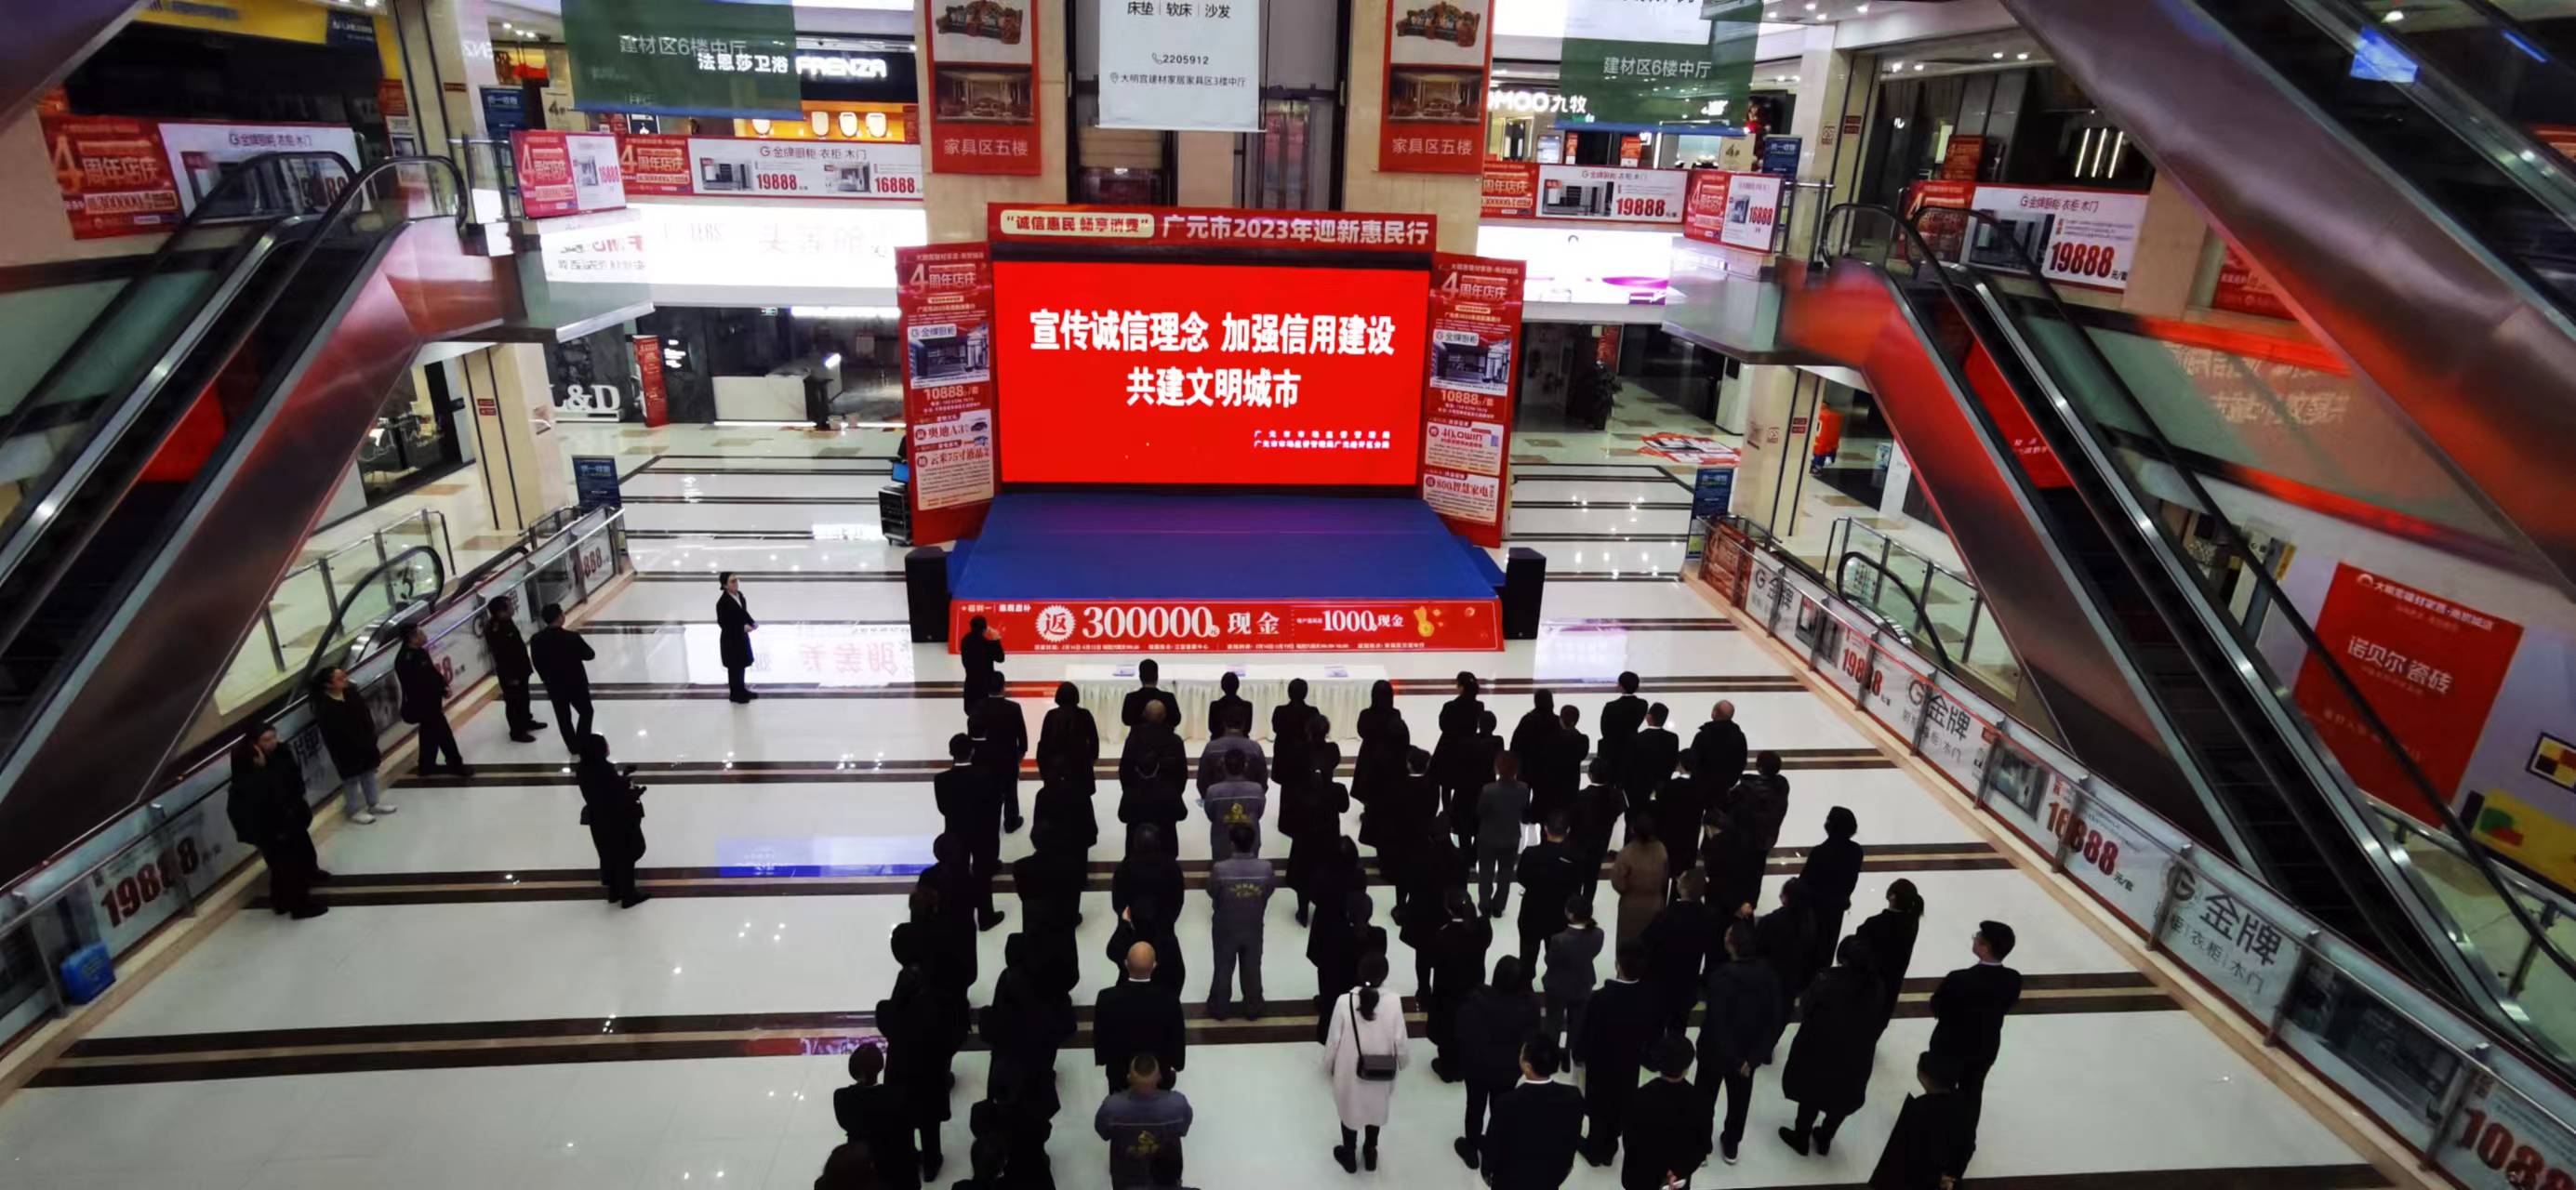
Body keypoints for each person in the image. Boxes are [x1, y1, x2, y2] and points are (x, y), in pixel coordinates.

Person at [1777, 934, 1884, 1157]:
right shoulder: (1876, 986)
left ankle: (1801, 1136)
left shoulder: (1827, 979)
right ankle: (1825, 1137)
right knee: (1841, 1096)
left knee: (1811, 1091)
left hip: (1820, 1046)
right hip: (1856, 1054)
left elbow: (1806, 1006)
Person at [1698, 921, 1785, 1164]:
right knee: (1739, 1101)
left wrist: (1735, 1058)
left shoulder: (1721, 977)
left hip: (1716, 1052)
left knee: (1704, 1098)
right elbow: (1774, 1021)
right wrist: (1753, 1058)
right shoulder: (1769, 976)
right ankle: (1731, 1144)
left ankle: (1701, 1144)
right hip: (1748, 1055)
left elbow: (1717, 1024)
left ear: (1731, 944)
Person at [1929, 920, 2022, 1131]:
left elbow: (1938, 1006)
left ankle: (1936, 1132)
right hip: (1985, 1048)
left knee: (1940, 1090)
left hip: (1951, 1047)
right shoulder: (2013, 979)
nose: (1975, 939)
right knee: (1972, 1092)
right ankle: (1965, 1135)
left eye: (1978, 938)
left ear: (1985, 947)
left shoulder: (1959, 979)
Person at [227, 722, 325, 919]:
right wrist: (263, 769)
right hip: (272, 828)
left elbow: (290, 780)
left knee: (289, 862)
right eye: (266, 740)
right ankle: (299, 905)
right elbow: (266, 798)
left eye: (274, 737)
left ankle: (282, 900)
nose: (272, 742)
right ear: (254, 745)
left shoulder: (280, 754)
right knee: (286, 866)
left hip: (288, 819)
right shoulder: (248, 773)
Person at [1321, 952, 1408, 1172]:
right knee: (1375, 1110)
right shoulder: (1394, 1001)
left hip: (1350, 1071)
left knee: (1349, 1109)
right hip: (1382, 1070)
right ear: (1385, 975)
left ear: (1359, 973)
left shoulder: (1344, 1002)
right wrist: (1403, 1061)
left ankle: (1349, 1154)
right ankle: (1370, 1152)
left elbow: (1333, 1041)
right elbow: (1400, 1040)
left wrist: (1328, 1065)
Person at [1577, 943, 1662, 1167]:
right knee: (1621, 1104)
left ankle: (1595, 1149)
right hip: (1629, 1065)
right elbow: (1652, 1036)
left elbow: (1586, 1033)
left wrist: (1579, 1054)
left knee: (1599, 1107)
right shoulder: (1649, 998)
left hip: (1601, 1065)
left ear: (1618, 965)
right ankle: (1610, 1147)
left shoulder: (1600, 998)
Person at [1454, 956, 1541, 1170]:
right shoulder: (1529, 1006)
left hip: (1477, 1067)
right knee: (1500, 1106)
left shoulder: (1475, 1001)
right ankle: (1495, 1146)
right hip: (1509, 1069)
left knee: (1475, 1105)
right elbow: (1532, 1039)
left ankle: (1472, 1147)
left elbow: (1461, 1033)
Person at [877, 964, 960, 1183]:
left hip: (898, 1080)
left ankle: (909, 1157)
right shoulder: (938, 1014)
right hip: (929, 1082)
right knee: (930, 1127)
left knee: (903, 1125)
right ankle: (931, 1164)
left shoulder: (886, 1012)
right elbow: (952, 1043)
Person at [1482, 1036, 1586, 1190]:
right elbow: (1572, 1138)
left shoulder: (1506, 1103)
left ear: (1527, 1067)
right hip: (1550, 1177)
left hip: (1511, 1180)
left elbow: (1493, 1147)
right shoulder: (1573, 1097)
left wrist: (1487, 1171)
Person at [1870, 1052, 1978, 1190]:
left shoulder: (1919, 1109)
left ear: (1924, 1076)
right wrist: (1952, 1177)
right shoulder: (1963, 1104)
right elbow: (1968, 1145)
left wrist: (1934, 1179)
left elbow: (1909, 1155)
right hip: (1949, 1181)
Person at [1622, 1036, 1712, 1190]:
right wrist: (1678, 1171)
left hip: (1640, 1176)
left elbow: (1630, 1142)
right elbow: (1702, 1146)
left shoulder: (1639, 1098)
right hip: (1676, 1179)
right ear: (1687, 1067)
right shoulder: (1701, 1102)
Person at [1282, 716, 1348, 926]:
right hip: (1329, 831)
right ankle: (1323, 907)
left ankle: (1303, 912)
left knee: (1303, 869)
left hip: (1305, 832)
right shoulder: (1333, 756)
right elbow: (1344, 807)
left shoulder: (1299, 755)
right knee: (1326, 869)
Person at [1095, 942, 1186, 1093]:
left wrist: (1102, 1059)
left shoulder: (1106, 997)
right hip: (1157, 1074)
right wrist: (1177, 1064)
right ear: (1154, 966)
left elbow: (1101, 1036)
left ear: (1126, 964)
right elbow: (1177, 1037)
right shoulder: (1169, 999)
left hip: (1119, 1074)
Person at [936, 733, 1005, 931]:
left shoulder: (941, 780)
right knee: (982, 874)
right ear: (972, 751)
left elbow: (943, 808)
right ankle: (985, 917)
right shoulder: (985, 775)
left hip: (955, 833)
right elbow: (995, 805)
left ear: (951, 753)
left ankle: (960, 914)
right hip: (982, 832)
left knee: (958, 874)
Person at [1206, 824, 1275, 1020]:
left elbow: (1212, 891)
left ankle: (1220, 1007)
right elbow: (1269, 890)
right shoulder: (1266, 868)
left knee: (1223, 966)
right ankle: (1253, 1007)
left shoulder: (1220, 869)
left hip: (1225, 925)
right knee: (1252, 966)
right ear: (1253, 843)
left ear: (1232, 843)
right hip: (1253, 924)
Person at [1095, 1052, 1192, 1190]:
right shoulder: (1178, 1105)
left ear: (1129, 1077)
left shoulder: (1112, 1107)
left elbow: (1103, 1133)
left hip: (1125, 1177)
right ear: (1159, 1077)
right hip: (1167, 1178)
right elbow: (1183, 1130)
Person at [312, 667, 394, 823]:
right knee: (351, 780)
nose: (345, 680)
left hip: (365, 742)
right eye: (339, 678)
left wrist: (370, 736)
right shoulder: (324, 706)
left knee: (368, 774)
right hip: (345, 750)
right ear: (328, 685)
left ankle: (373, 803)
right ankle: (353, 810)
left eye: (344, 676)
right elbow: (332, 734)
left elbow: (365, 714)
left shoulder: (350, 693)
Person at [575, 733, 649, 907]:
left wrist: (622, 778)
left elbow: (604, 791)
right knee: (628, 854)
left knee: (609, 855)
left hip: (599, 820)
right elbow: (616, 795)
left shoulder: (584, 769)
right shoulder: (604, 771)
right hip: (618, 820)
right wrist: (634, 791)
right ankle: (629, 896)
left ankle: (614, 891)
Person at [1426, 888, 1491, 1081]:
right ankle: (1463, 1064)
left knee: (1447, 1027)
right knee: (1468, 1024)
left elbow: (1432, 960)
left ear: (1448, 909)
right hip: (1473, 986)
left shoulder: (1443, 935)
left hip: (1447, 990)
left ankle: (1447, 1067)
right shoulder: (1482, 929)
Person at [836, 1044, 921, 1190]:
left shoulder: (842, 1096)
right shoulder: (898, 1096)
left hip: (862, 1158)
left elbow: (845, 1123)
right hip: (897, 1160)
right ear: (880, 1067)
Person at [1640, 869, 1713, 1033]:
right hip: (1687, 982)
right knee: (1679, 1028)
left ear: (1684, 887)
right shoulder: (1707, 916)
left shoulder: (1668, 915)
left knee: (1656, 1027)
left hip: (1662, 982)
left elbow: (1646, 941)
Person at [1310, 890, 1385, 1045]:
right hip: (1364, 992)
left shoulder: (1333, 935)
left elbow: (1321, 962)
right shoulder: (1379, 935)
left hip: (1336, 991)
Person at [1856, 879, 1926, 1038]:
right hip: (1892, 981)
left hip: (1869, 982)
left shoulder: (1876, 924)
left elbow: (1859, 947)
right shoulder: (1911, 921)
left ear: (1892, 897)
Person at [394, 626, 468, 776]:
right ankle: (456, 765)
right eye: (421, 633)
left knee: (429, 733)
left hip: (431, 703)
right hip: (424, 705)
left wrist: (444, 687)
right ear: (412, 638)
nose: (424, 635)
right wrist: (440, 691)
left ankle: (426, 766)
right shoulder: (405, 659)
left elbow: (432, 673)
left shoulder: (420, 652)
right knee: (444, 734)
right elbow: (420, 684)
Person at [1515, 815, 1586, 963]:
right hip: (1559, 916)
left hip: (1531, 912)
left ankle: (1526, 978)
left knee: (1527, 959)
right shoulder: (1575, 857)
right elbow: (1576, 886)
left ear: (1545, 829)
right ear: (1568, 830)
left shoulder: (1530, 853)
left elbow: (1521, 877)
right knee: (1556, 960)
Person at [1118, 702, 1188, 851]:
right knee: (1167, 848)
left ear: (1144, 715)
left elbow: (1124, 771)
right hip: (1166, 803)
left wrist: (1131, 792)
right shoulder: (1174, 741)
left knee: (1135, 848)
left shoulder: (1133, 740)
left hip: (1138, 801)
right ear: (1164, 716)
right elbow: (1182, 775)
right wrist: (1174, 793)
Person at [529, 602, 596, 756]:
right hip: (576, 683)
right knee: (586, 712)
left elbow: (537, 663)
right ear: (560, 617)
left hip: (554, 685)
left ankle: (572, 746)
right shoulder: (572, 637)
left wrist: (546, 680)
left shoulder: (536, 639)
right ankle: (582, 740)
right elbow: (590, 655)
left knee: (563, 717)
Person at [1541, 893, 1603, 1056]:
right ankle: (1570, 1056)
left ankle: (1551, 1055)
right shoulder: (1598, 934)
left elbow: (1549, 961)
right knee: (1576, 1025)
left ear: (1570, 914)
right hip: (1583, 984)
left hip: (1558, 987)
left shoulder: (1559, 940)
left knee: (1553, 1024)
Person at [1475, 752, 1533, 918]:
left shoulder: (1488, 790)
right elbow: (1524, 809)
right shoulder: (1523, 788)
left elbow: (1480, 811)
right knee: (1505, 874)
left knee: (1485, 873)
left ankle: (1485, 905)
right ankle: (1499, 907)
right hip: (1511, 837)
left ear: (1497, 768)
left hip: (1488, 837)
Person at [972, 671, 1030, 834]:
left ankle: (988, 821)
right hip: (1008, 758)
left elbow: (973, 734)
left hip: (985, 759)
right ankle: (1011, 822)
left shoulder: (978, 707)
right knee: (1011, 791)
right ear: (1003, 686)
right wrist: (1020, 754)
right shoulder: (1014, 708)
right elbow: (1022, 736)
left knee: (987, 790)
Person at [483, 596, 547, 742]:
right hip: (510, 673)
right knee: (513, 702)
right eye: (510, 606)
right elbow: (501, 656)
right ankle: (517, 732)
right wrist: (510, 677)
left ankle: (526, 721)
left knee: (524, 697)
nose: (513, 608)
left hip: (520, 667)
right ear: (501, 612)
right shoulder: (495, 629)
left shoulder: (506, 621)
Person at [1801, 806, 1865, 947]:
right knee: (1828, 944)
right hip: (1837, 907)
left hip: (1814, 910)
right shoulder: (1856, 851)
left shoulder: (1820, 852)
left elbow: (1804, 882)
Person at [1433, 672, 1486, 827]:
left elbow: (1443, 725)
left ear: (1461, 687)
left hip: (1448, 749)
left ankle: (1447, 815)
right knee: (1463, 785)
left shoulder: (1450, 706)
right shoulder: (1479, 706)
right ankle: (1460, 815)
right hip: (1468, 749)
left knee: (1446, 785)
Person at [1608, 813, 1667, 946]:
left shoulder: (1626, 853)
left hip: (1631, 905)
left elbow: (1617, 882)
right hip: (1655, 904)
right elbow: (1664, 876)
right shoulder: (1661, 850)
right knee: (1652, 945)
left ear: (1633, 830)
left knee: (1628, 944)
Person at [1109, 896, 1187, 996]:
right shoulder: (1167, 945)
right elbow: (1179, 975)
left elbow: (1112, 951)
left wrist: (1124, 923)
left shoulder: (1128, 941)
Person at [1351, 679, 1408, 816]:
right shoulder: (1395, 714)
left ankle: (1369, 810)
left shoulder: (1366, 714)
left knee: (1368, 782)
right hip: (1389, 755)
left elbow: (1361, 732)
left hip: (1369, 754)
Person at [1701, 808, 1768, 925]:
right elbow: (1757, 872)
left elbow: (1714, 878)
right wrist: (1751, 902)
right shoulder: (1749, 840)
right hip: (1744, 904)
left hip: (1721, 907)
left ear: (1708, 828)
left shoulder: (1714, 846)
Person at [1759, 877, 1823, 998]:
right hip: (1795, 983)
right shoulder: (1811, 923)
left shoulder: (1770, 921)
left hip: (1769, 981)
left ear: (1786, 897)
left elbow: (1758, 948)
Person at [1571, 760, 1627, 893]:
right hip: (1601, 844)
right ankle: (1587, 902)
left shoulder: (1580, 796)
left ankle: (1575, 903)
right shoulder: (1616, 796)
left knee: (1577, 879)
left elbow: (1572, 819)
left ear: (1590, 775)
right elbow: (1620, 809)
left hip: (1580, 845)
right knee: (1592, 879)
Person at [1038, 681, 1101, 800]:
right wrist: (1090, 761)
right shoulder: (1085, 714)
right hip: (1080, 767)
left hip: (1056, 770)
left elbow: (1043, 744)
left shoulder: (1051, 715)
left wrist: (1044, 769)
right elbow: (1094, 741)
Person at [1200, 749, 1267, 860]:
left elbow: (1211, 815)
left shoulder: (1213, 791)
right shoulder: (1257, 789)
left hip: (1221, 840)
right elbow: (1259, 813)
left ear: (1224, 766)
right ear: (1245, 766)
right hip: (1250, 841)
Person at [1725, 751, 1790, 856]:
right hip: (1767, 839)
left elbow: (1728, 801)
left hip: (1746, 840)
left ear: (1760, 767)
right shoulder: (1782, 785)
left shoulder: (1748, 789)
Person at [1540, 705, 1589, 826]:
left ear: (1561, 719)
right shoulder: (1582, 739)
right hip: (1571, 784)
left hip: (1552, 785)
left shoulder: (1550, 738)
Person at [1597, 671, 1648, 786]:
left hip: (1612, 752)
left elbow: (1604, 730)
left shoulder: (1610, 706)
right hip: (1632, 749)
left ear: (1620, 686)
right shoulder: (1642, 704)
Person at [1626, 703, 1680, 807]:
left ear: (1649, 717)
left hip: (1640, 789)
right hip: (1663, 789)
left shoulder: (1636, 739)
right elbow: (1673, 763)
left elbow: (1630, 766)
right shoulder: (1673, 738)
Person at [715, 571, 758, 702]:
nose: (736, 583)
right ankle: (735, 694)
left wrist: (751, 622)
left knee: (741, 665)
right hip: (731, 640)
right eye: (732, 581)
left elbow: (744, 613)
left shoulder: (740, 596)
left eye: (736, 580)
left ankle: (742, 690)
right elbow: (724, 624)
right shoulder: (722, 603)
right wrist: (742, 628)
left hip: (741, 638)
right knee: (734, 668)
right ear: (725, 585)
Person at [1271, 679, 1318, 801]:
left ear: (1289, 693)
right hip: (1305, 760)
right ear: (1305, 693)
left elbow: (1276, 729)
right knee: (1304, 797)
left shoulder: (1280, 711)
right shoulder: (1313, 712)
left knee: (1286, 795)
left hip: (1285, 760)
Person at [1196, 717, 1268, 792]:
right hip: (1251, 796)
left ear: (1224, 724)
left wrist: (1211, 795)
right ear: (1244, 725)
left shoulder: (1211, 747)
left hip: (1216, 797)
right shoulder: (1255, 748)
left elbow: (1202, 781)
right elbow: (1263, 781)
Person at [1690, 701, 1748, 793]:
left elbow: (1693, 761)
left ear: (1714, 713)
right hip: (1726, 788)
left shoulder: (1703, 735)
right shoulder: (1739, 736)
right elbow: (1741, 761)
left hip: (1702, 788)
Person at [1509, 690, 1560, 795]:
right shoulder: (1556, 721)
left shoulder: (1527, 720)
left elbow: (1515, 745)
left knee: (1523, 799)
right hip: (1547, 770)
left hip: (1526, 768)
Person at [1120, 659, 1181, 733]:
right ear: (1157, 676)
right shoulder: (1168, 698)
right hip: (1165, 737)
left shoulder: (1131, 698)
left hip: (1138, 737)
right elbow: (1176, 720)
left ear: (1140, 677)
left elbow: (1126, 720)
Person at [960, 615, 1004, 713]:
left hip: (970, 683)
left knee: (972, 713)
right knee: (984, 713)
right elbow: (1000, 658)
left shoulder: (965, 641)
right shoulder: (987, 644)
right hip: (985, 686)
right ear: (985, 629)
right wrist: (996, 640)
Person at [1207, 669, 1254, 737]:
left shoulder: (1215, 706)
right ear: (1238, 686)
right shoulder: (1247, 706)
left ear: (1222, 686)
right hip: (1241, 740)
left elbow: (1212, 728)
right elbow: (1247, 729)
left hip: (1219, 740)